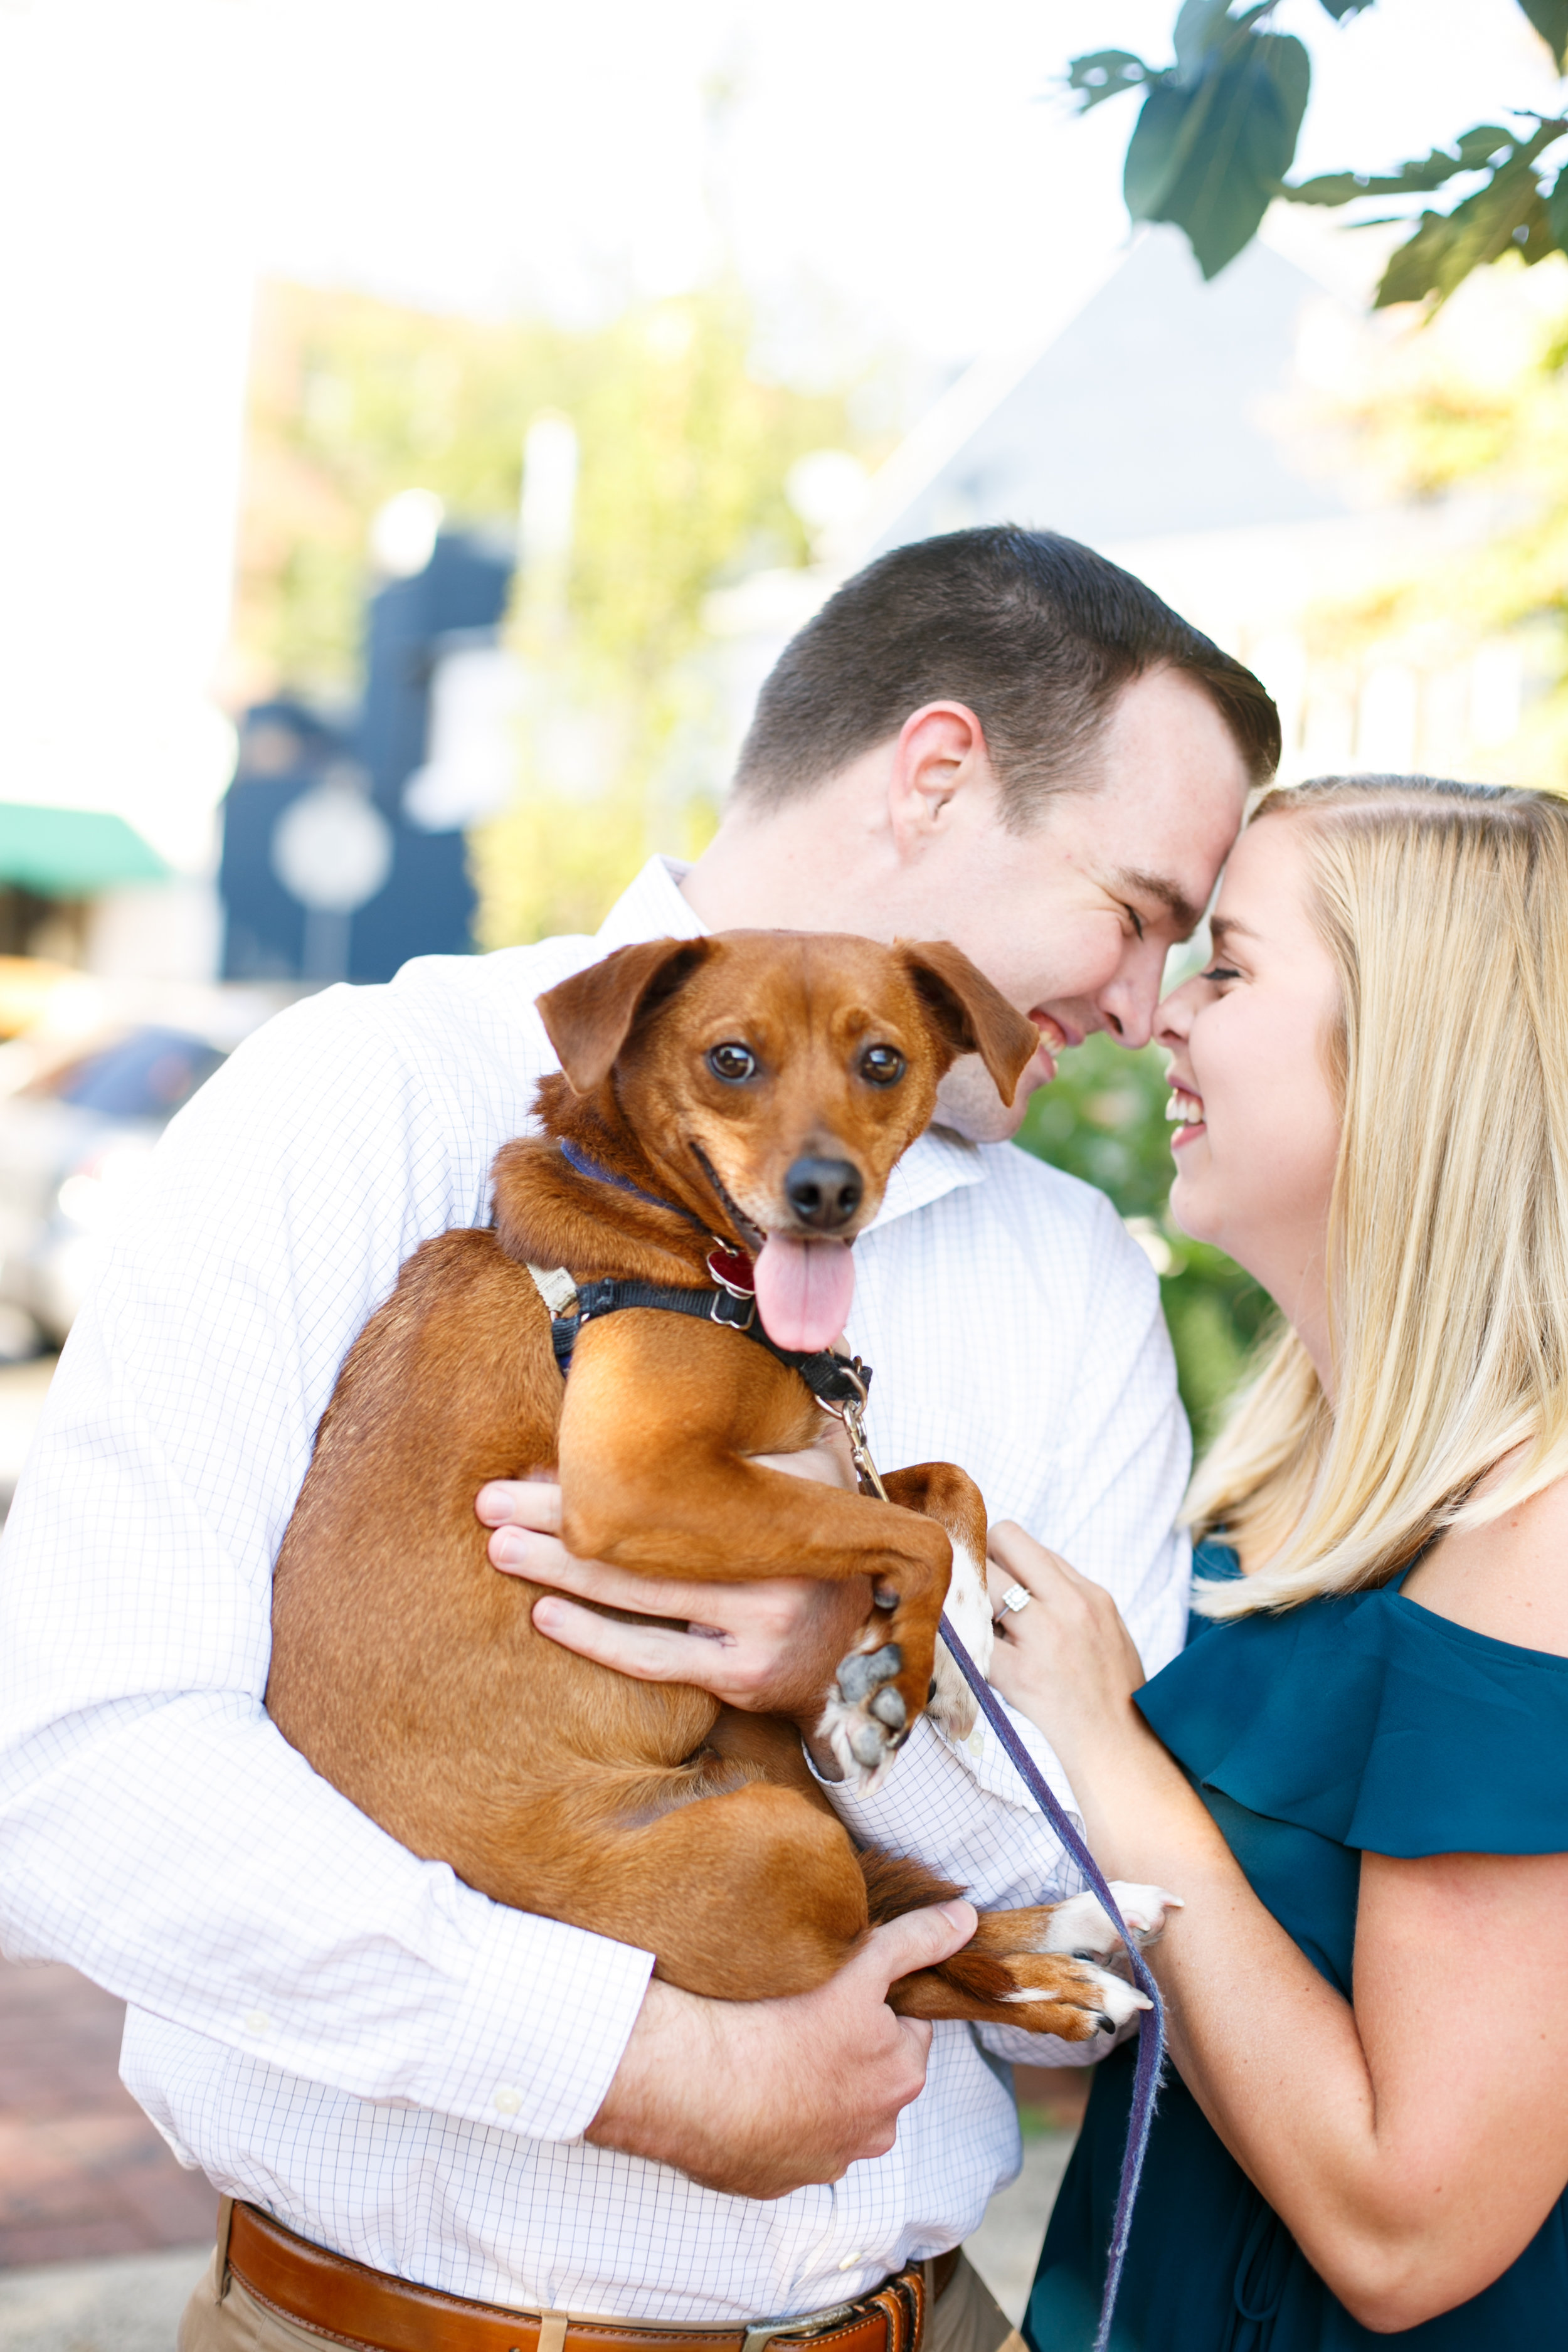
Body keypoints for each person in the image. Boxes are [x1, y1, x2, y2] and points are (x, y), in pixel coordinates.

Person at [0, 528, 1274, 2351]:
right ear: (933, 774)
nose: (1145, 1008)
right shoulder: (360, 1100)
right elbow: (83, 1766)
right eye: (1140, 912)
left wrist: (857, 1686)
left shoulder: (1064, 1273)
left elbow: (1101, 1924)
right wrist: (632, 2060)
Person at [982, 775, 1568, 2349]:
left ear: (1411, 1052)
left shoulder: (1538, 1545)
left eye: (1226, 967)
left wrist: (1108, 1753)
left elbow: (1407, 2229)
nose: (1156, 1014)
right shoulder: (1290, 1489)